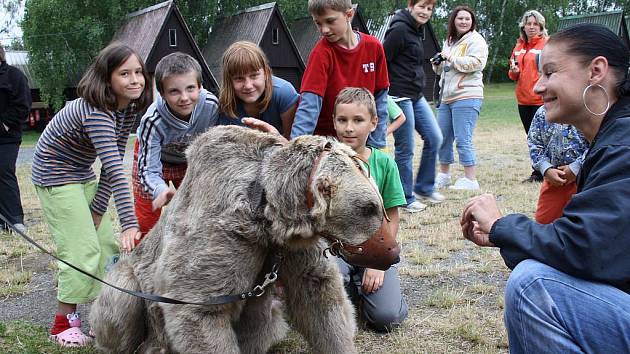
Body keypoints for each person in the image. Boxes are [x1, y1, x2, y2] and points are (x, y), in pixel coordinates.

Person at [461, 24, 630, 353]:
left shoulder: (623, 143)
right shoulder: (614, 137)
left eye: (550, 72)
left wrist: (501, 226)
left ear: (596, 71)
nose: (538, 86)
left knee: (533, 285)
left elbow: (586, 248)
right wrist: (501, 235)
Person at [31, 42, 151, 347]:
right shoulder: (96, 112)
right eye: (124, 73)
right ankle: (62, 322)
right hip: (55, 176)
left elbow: (111, 163)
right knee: (81, 250)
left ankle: (103, 317)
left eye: (138, 72)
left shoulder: (126, 108)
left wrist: (98, 209)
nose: (135, 79)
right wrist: (129, 223)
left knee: (104, 245)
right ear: (106, 78)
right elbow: (114, 167)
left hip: (81, 173)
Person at [332, 87, 408, 331]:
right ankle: (352, 286)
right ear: (334, 122)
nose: (349, 128)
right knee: (331, 295)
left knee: (385, 319)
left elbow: (393, 217)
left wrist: (378, 263)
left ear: (374, 123)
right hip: (337, 251)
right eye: (342, 120)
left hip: (374, 249)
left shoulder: (384, 163)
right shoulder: (327, 162)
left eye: (358, 120)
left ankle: (382, 296)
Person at [133, 52, 219, 238]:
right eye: (174, 91)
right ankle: (142, 262)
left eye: (190, 88)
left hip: (186, 160)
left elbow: (210, 147)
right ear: (162, 93)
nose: (184, 97)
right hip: (155, 160)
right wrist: (159, 189)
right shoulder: (152, 121)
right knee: (147, 219)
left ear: (200, 86)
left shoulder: (211, 105)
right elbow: (147, 170)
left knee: (196, 212)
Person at [290, 0, 390, 150]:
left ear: (349, 14)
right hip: (328, 144)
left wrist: (377, 147)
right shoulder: (321, 54)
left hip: (361, 141)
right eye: (318, 23)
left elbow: (380, 101)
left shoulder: (374, 47)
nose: (324, 29)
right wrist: (296, 150)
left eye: (330, 21)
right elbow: (309, 107)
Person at [384, 0, 444, 211]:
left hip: (415, 95)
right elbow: (384, 58)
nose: (425, 12)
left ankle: (425, 187)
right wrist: (385, 94)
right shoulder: (399, 28)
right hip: (399, 95)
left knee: (435, 137)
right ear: (411, 6)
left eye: (429, 9)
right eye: (421, 7)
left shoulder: (417, 29)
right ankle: (404, 198)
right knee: (406, 148)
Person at [433, 5, 488, 191]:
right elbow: (444, 69)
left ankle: (470, 179)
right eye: (460, 18)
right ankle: (444, 175)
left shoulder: (476, 40)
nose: (464, 21)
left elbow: (477, 63)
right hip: (446, 97)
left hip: (467, 95)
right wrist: (438, 64)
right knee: (443, 138)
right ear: (453, 21)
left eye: (467, 19)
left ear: (472, 22)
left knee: (463, 138)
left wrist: (452, 59)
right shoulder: (449, 41)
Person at [218, 41, 298, 139]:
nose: (248, 85)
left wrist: (276, 139)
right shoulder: (224, 105)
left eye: (254, 75)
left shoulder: (284, 93)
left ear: (266, 73)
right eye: (239, 78)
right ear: (229, 81)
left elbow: (294, 142)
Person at [527, 106, 587, 224]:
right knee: (544, 222)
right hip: (554, 181)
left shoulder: (587, 111)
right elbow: (534, 142)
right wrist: (545, 168)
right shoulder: (543, 112)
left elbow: (597, 142)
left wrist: (576, 167)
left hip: (584, 181)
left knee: (583, 222)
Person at [508, 10, 549, 183]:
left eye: (535, 24)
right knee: (532, 138)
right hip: (523, 100)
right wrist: (514, 71)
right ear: (523, 26)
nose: (531, 27)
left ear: (541, 27)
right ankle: (537, 172)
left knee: (545, 137)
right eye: (528, 24)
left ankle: (548, 170)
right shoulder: (518, 47)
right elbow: (512, 74)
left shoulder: (547, 45)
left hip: (542, 99)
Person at [0, 44, 31, 234]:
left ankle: (14, 220)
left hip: (7, 137)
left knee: (3, 171)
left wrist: (4, 124)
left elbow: (23, 105)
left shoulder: (14, 76)